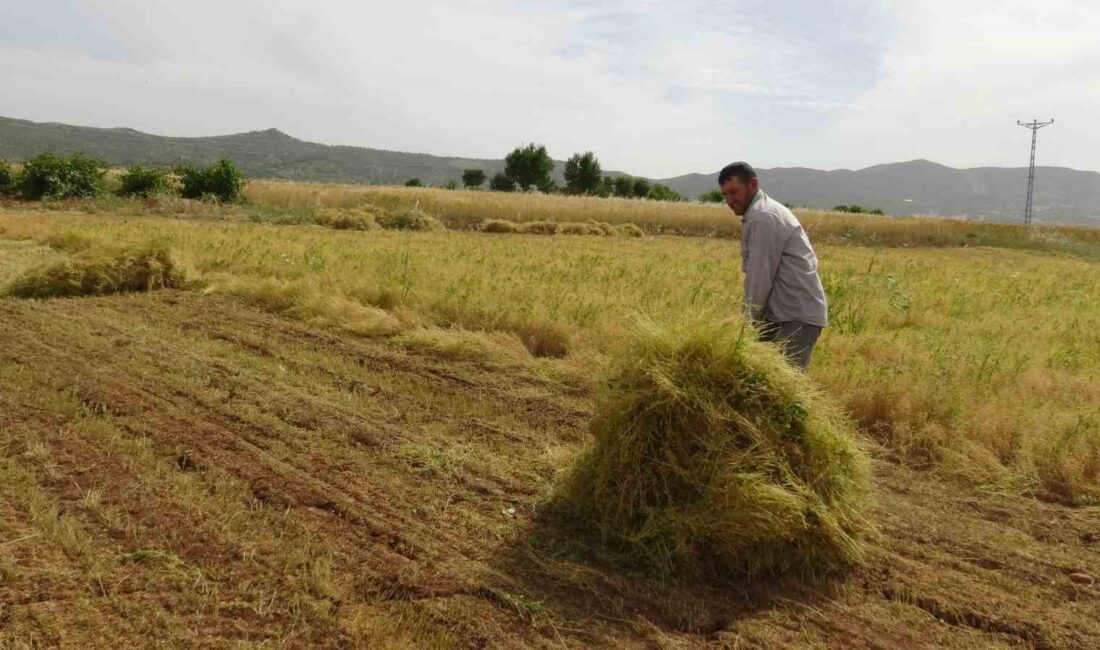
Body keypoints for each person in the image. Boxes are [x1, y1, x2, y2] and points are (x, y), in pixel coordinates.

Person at [718, 162, 828, 369]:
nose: (729, 201)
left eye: (734, 192)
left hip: (795, 316)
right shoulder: (760, 212)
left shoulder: (763, 217)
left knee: (784, 392)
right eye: (725, 195)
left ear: (753, 184)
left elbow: (760, 277)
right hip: (780, 313)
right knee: (758, 382)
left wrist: (746, 327)